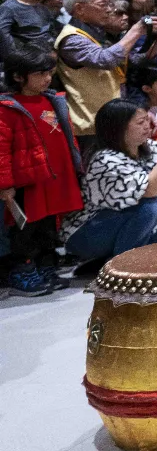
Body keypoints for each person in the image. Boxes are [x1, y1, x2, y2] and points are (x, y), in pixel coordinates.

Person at [63, 99, 157, 267]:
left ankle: (109, 261)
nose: (147, 126)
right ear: (118, 128)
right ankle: (124, 266)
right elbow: (150, 191)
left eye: (147, 119)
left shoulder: (152, 147)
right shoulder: (105, 159)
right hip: (87, 232)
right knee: (150, 205)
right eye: (140, 122)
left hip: (134, 225)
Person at [0, 48, 83, 295]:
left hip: (55, 178)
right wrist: (5, 185)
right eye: (40, 74)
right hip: (29, 182)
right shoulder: (6, 108)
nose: (47, 78)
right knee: (26, 230)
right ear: (18, 76)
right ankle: (22, 274)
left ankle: (46, 267)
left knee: (49, 227)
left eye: (49, 72)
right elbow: (1, 151)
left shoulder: (53, 100)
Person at [55, 0, 157, 147]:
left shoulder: (97, 33)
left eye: (110, 3)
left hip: (113, 118)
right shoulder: (72, 38)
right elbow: (105, 60)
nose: (109, 9)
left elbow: (130, 61)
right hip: (91, 123)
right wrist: (137, 29)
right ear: (80, 8)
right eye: (103, 4)